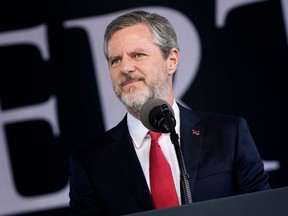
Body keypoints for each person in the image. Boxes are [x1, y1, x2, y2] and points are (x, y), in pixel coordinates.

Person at [68, 10, 270, 216]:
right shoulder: (90, 163)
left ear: (171, 61)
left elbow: (265, 210)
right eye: (115, 60)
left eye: (138, 55)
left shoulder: (228, 134)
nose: (125, 67)